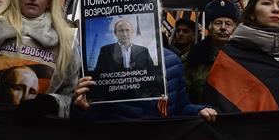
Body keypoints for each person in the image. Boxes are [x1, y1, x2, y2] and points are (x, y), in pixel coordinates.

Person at [204, 0, 279, 112]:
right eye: (267, 3)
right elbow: (219, 109)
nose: (276, 9)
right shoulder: (231, 55)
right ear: (252, 13)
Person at [73, 48, 217, 121]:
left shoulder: (172, 60)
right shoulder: (108, 61)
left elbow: (181, 107)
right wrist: (82, 108)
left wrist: (199, 111)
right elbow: (94, 118)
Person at [185, 0, 239, 103]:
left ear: (234, 28)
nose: (223, 28)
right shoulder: (193, 58)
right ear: (209, 27)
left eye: (228, 24)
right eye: (218, 23)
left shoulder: (243, 56)